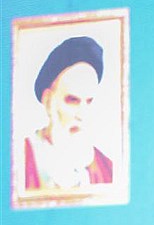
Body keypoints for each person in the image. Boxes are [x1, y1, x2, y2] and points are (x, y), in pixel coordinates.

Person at [24, 36, 113, 190]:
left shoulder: (107, 169)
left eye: (89, 101)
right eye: (72, 100)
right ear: (48, 101)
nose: (82, 115)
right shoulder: (20, 159)